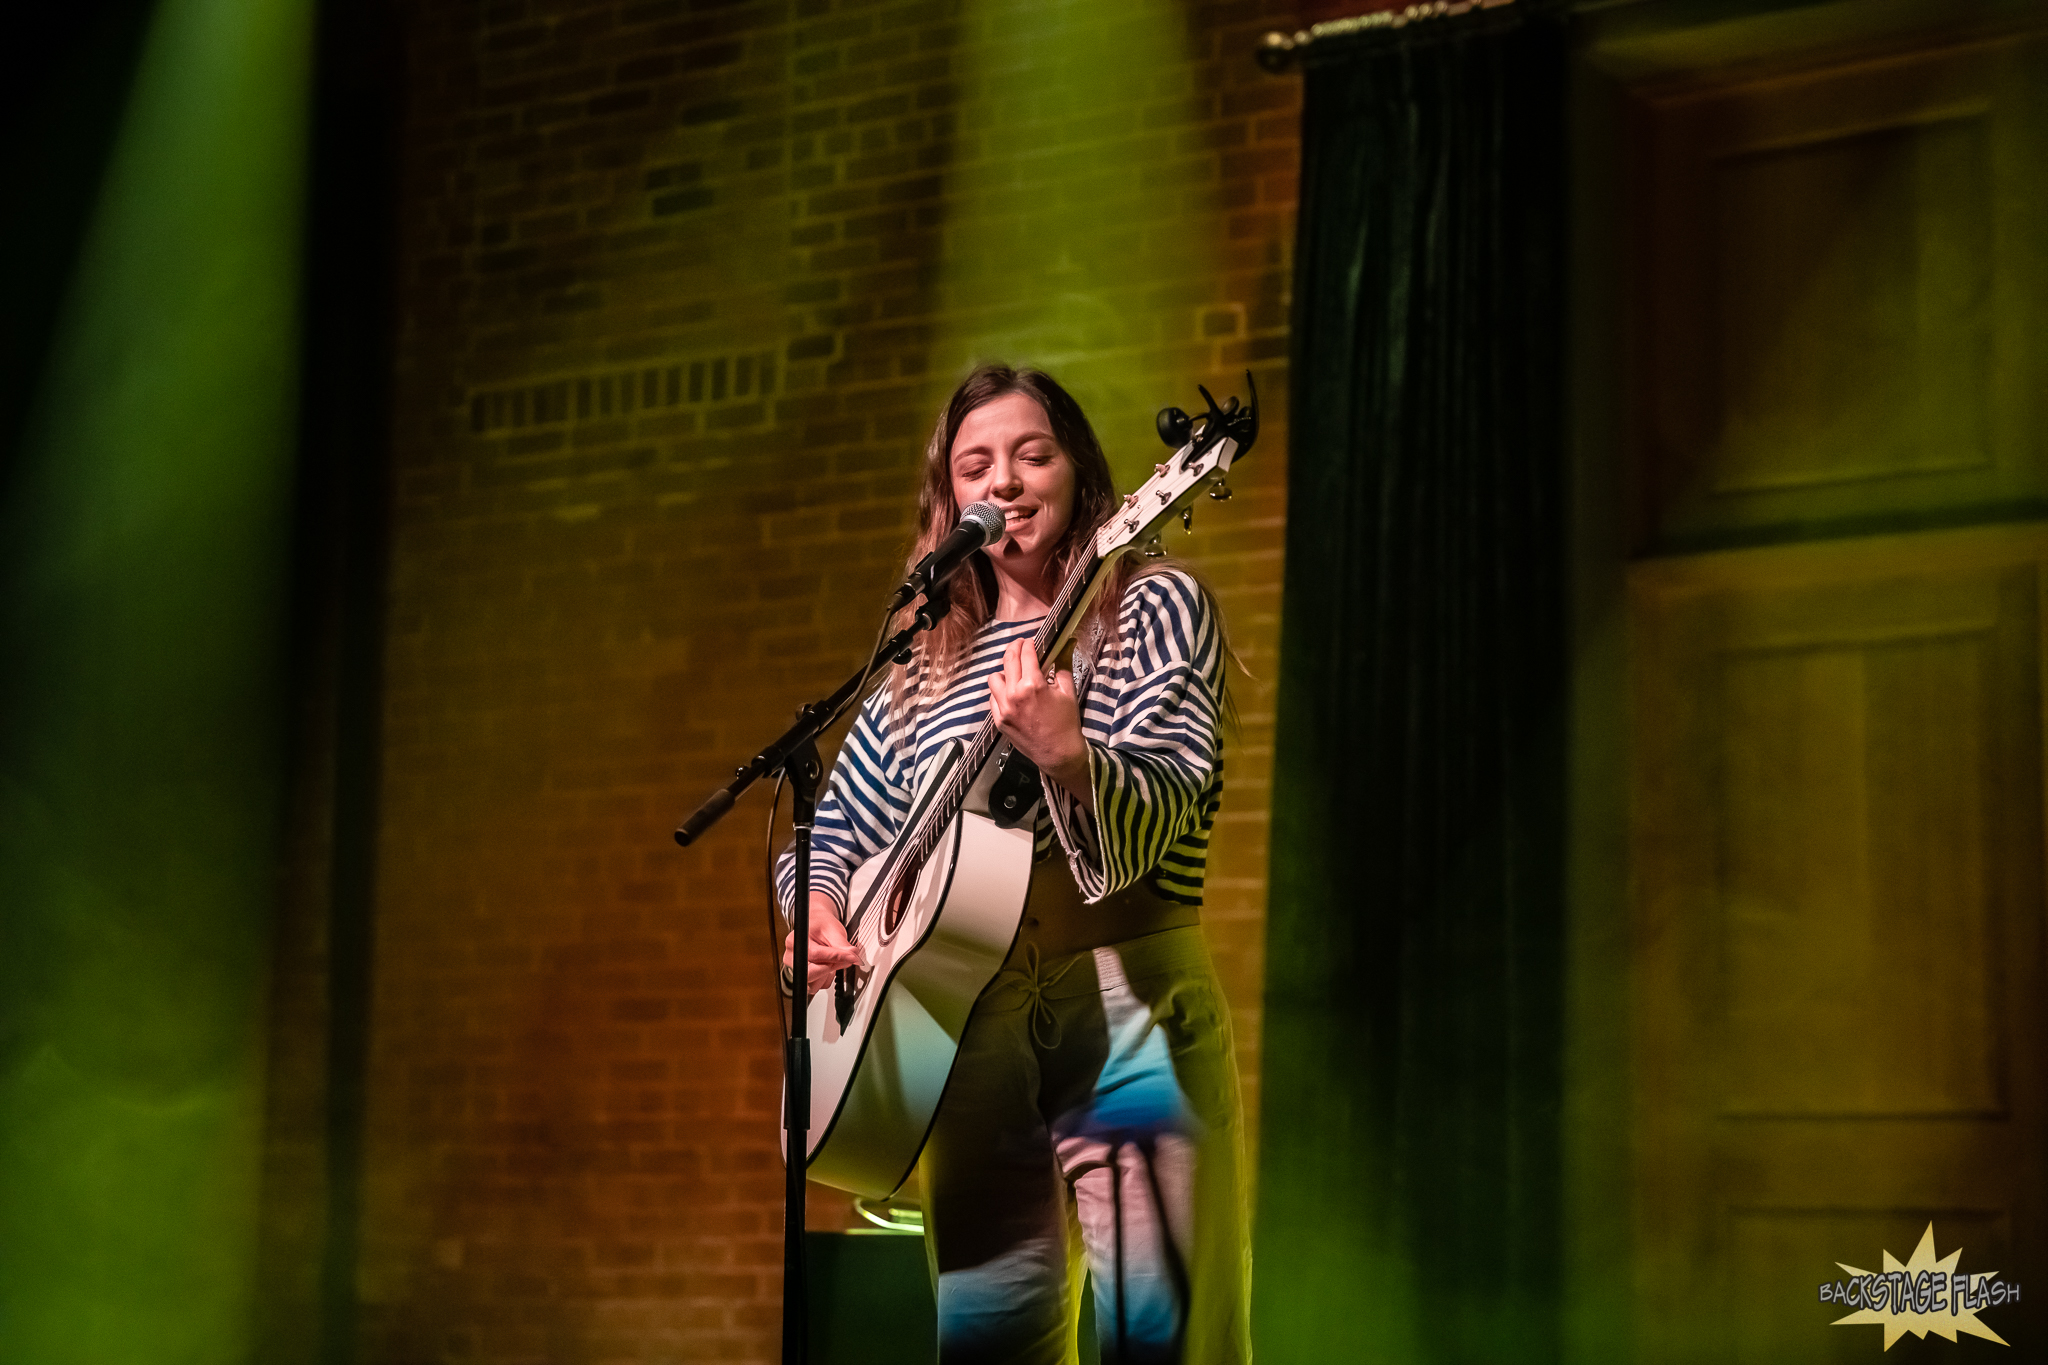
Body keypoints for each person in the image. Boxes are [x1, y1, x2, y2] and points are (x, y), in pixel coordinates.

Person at [778, 363, 1250, 1364]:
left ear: (1080, 472)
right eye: (974, 464)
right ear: (948, 499)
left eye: (1032, 454)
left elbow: (1170, 796)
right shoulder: (925, 658)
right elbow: (842, 826)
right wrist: (815, 905)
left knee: (1160, 1337)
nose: (1005, 480)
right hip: (969, 1029)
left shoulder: (1148, 603)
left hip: (1126, 1007)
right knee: (989, 1342)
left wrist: (1068, 754)